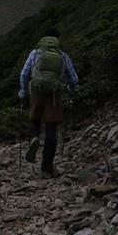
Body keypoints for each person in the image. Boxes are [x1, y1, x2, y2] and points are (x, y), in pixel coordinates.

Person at [18, 27, 79, 178]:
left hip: (36, 90)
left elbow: (24, 74)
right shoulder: (63, 56)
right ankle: (46, 168)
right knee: (51, 130)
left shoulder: (35, 53)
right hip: (54, 93)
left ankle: (34, 137)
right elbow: (74, 79)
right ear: (58, 40)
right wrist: (69, 89)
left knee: (34, 118)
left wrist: (23, 91)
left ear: (43, 39)